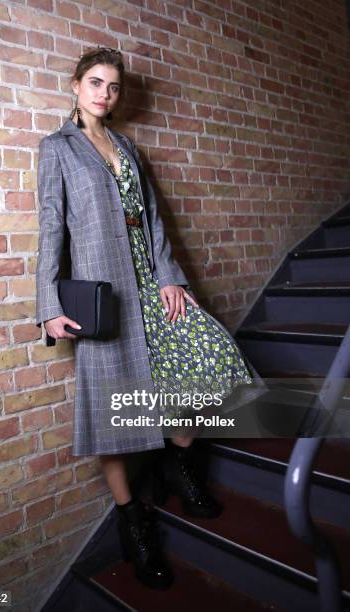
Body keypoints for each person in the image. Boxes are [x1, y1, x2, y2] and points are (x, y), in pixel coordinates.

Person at [35, 47, 259, 590]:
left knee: (205, 366)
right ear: (74, 85)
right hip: (104, 297)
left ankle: (178, 463)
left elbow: (153, 219)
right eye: (94, 83)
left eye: (112, 87)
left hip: (152, 286)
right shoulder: (56, 148)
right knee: (111, 417)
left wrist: (171, 277)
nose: (103, 95)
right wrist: (48, 306)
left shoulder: (128, 147)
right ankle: (133, 521)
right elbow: (51, 228)